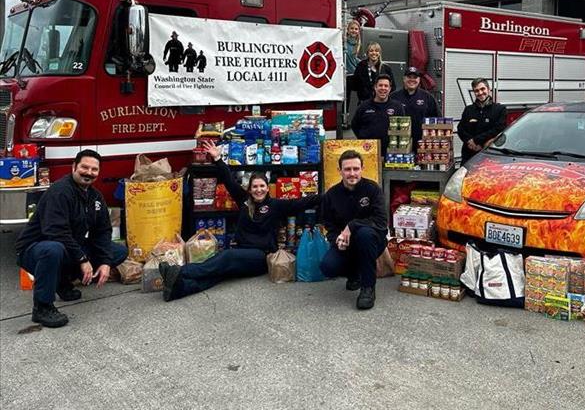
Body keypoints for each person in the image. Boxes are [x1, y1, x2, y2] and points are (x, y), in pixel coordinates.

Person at [158, 141, 320, 301]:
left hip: (260, 257)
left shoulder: (275, 205)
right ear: (249, 189)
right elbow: (228, 179)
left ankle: (180, 271)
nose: (259, 190)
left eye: (262, 186)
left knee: (226, 257)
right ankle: (179, 290)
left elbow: (302, 203)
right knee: (219, 273)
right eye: (255, 187)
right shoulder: (243, 200)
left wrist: (326, 197)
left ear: (267, 187)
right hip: (241, 252)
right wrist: (217, 158)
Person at [15, 150, 128, 328]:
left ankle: (61, 281)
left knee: (118, 251)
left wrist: (105, 262)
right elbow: (56, 232)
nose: (88, 172)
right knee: (53, 249)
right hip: (35, 249)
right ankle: (42, 307)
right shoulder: (60, 192)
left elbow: (103, 231)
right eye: (84, 167)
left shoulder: (95, 196)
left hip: (66, 247)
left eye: (94, 169)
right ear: (74, 167)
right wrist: (82, 259)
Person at [319, 150, 387, 310]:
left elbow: (381, 222)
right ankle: (354, 273)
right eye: (347, 169)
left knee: (364, 234)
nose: (352, 173)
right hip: (347, 244)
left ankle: (368, 288)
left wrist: (352, 226)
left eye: (356, 169)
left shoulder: (373, 189)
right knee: (327, 267)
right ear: (339, 171)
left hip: (373, 242)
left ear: (362, 168)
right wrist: (337, 239)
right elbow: (329, 225)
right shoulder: (331, 195)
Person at [351, 74, 405, 156]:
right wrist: (364, 137)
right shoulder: (364, 106)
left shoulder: (397, 107)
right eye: (380, 85)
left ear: (390, 89)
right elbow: (355, 125)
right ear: (375, 87)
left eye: (386, 86)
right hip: (367, 151)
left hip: (390, 153)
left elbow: (402, 127)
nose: (383, 88)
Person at [457, 78, 507, 165]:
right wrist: (469, 141)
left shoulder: (500, 109)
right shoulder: (469, 109)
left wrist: (476, 141)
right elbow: (460, 128)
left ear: (489, 89)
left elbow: (498, 129)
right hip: (469, 155)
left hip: (489, 154)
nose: (480, 93)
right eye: (476, 91)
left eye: (482, 89)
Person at [390, 66, 440, 152]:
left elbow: (437, 119)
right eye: (409, 77)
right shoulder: (393, 97)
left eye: (415, 77)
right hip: (399, 146)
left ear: (419, 80)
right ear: (404, 79)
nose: (412, 80)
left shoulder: (427, 97)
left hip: (422, 146)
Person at [343, 19, 363, 124]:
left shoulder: (358, 44)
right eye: (352, 28)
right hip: (345, 74)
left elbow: (357, 59)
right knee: (346, 97)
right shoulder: (343, 42)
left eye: (356, 29)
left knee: (362, 95)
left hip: (355, 73)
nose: (354, 31)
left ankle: (360, 117)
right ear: (348, 30)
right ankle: (344, 119)